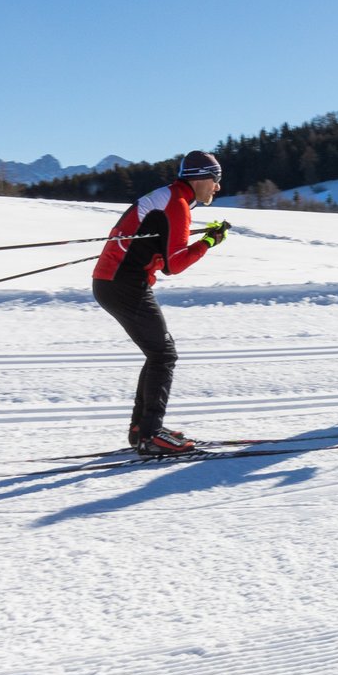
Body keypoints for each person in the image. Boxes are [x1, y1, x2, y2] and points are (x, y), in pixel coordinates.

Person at [93, 150, 232, 454]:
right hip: (124, 285)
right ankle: (150, 435)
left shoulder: (170, 198)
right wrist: (209, 242)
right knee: (163, 355)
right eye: (216, 179)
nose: (218, 187)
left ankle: (142, 429)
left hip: (114, 282)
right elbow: (175, 264)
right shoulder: (177, 204)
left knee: (157, 352)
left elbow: (160, 244)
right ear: (200, 178)